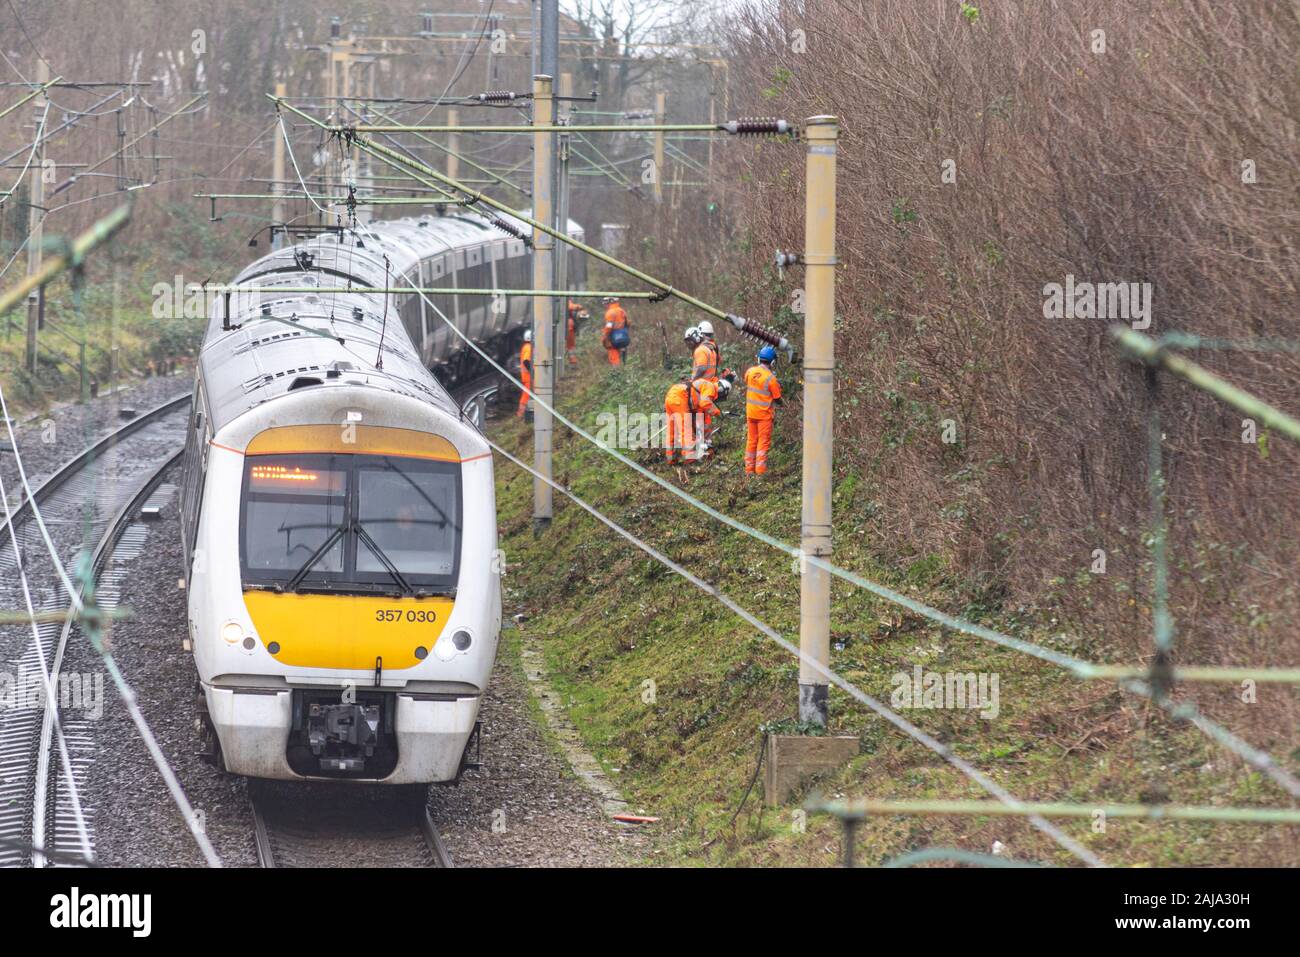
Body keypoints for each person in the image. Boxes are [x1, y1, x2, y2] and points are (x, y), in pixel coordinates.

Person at [664, 374, 720, 465]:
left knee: (672, 430)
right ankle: (689, 456)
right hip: (679, 398)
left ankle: (671, 458)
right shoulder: (709, 388)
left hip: (671, 396)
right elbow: (704, 404)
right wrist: (717, 412)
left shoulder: (700, 388)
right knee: (686, 428)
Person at [744, 345, 783, 475]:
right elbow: (777, 398)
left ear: (759, 359)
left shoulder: (749, 372)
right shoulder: (771, 379)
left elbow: (748, 382)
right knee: (763, 443)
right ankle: (760, 472)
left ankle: (749, 470)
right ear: (772, 362)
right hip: (764, 416)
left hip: (750, 413)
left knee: (751, 440)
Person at [601, 297, 629, 366]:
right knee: (622, 356)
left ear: (609, 303)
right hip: (623, 336)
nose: (605, 305)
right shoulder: (622, 311)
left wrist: (605, 337)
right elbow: (627, 323)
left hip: (613, 337)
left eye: (605, 303)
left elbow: (609, 326)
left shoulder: (610, 312)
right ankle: (624, 369)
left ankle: (616, 373)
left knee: (614, 356)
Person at [517, 329, 533, 418]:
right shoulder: (529, 348)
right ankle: (521, 413)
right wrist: (532, 371)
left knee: (527, 395)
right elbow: (526, 360)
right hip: (528, 377)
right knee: (526, 396)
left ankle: (523, 412)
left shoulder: (526, 346)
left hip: (528, 376)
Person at [566, 300, 586, 367]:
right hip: (569, 329)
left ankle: (572, 362)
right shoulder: (566, 302)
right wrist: (579, 307)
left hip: (569, 329)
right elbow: (570, 306)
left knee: (570, 347)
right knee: (570, 347)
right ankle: (572, 362)